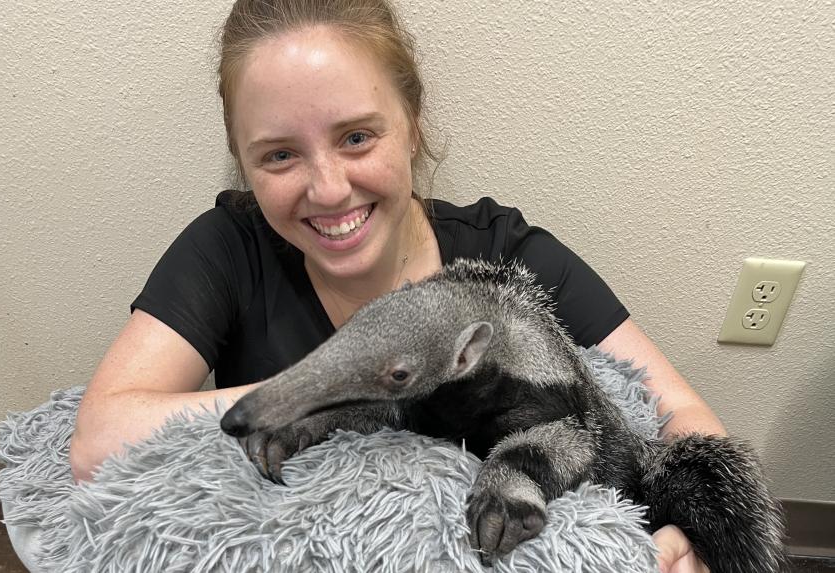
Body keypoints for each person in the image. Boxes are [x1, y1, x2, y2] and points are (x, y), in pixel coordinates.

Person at [69, 1, 725, 571]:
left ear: (411, 124)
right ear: (243, 162)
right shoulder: (227, 247)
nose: (328, 190)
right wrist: (329, 391)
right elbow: (97, 441)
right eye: (278, 154)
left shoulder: (513, 262)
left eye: (356, 137)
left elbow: (686, 424)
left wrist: (687, 537)